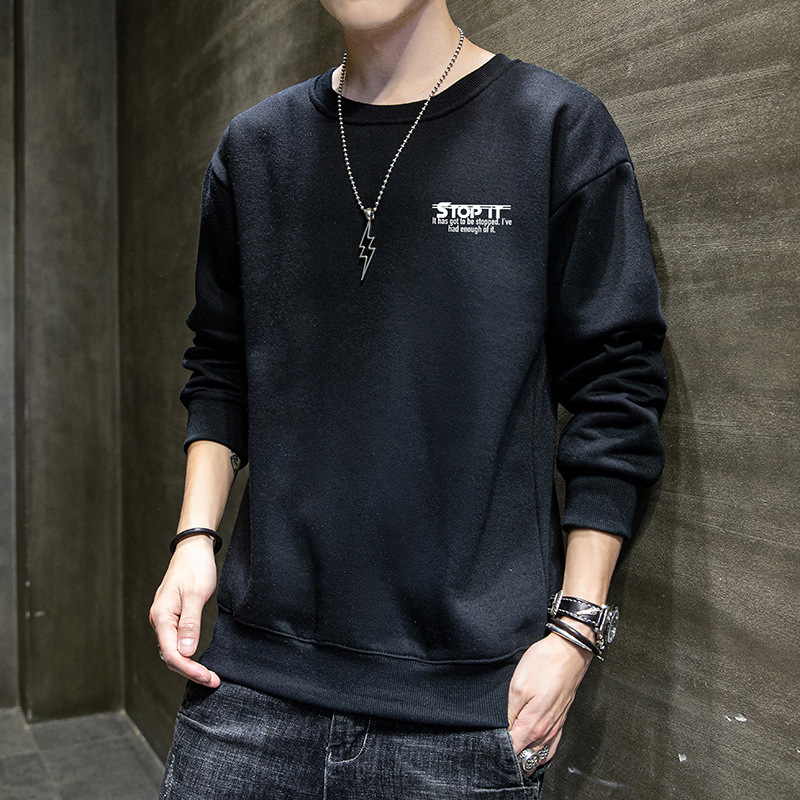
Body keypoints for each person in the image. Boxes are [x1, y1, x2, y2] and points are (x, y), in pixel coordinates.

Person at [150, 0, 669, 797]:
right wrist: (194, 539)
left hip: (465, 710)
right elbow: (220, 365)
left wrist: (577, 627)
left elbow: (617, 386)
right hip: (252, 685)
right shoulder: (255, 150)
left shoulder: (554, 129)